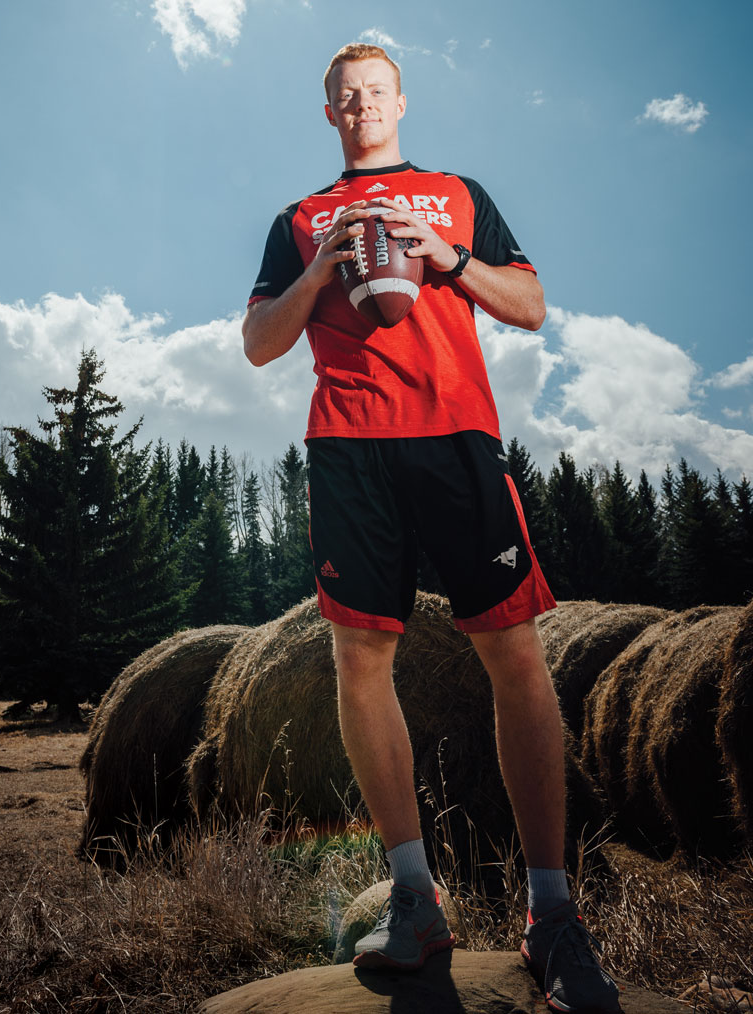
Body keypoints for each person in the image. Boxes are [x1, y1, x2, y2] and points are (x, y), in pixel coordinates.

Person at [243, 43, 620, 1014]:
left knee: (513, 653)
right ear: (328, 113)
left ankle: (551, 914)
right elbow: (257, 343)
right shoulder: (297, 220)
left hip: (456, 438)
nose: (360, 105)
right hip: (349, 446)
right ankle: (415, 899)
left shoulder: (457, 194)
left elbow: (530, 306)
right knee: (359, 660)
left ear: (400, 101)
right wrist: (322, 268)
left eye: (375, 92)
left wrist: (446, 258)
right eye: (344, 97)